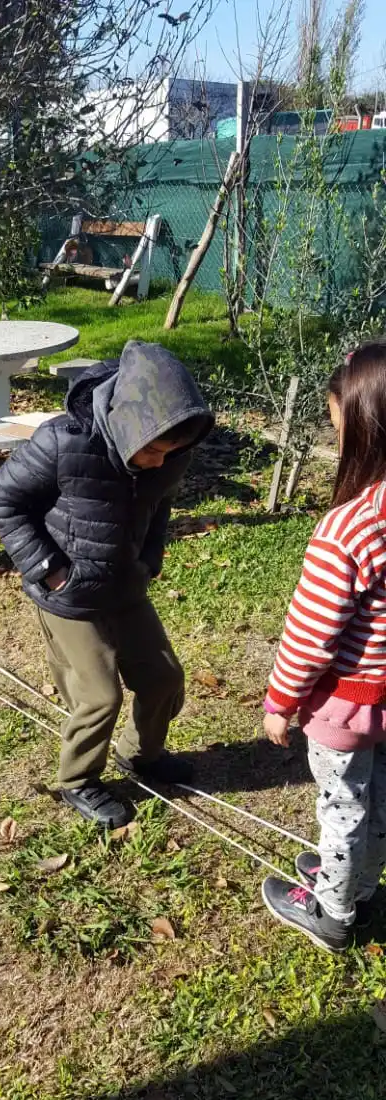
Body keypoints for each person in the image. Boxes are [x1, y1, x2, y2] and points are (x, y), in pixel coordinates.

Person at [0, 341, 214, 828]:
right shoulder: (64, 441)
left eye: (168, 452)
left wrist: (149, 559)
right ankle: (79, 781)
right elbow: (4, 499)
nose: (158, 461)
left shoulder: (172, 452)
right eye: (151, 449)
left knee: (163, 678)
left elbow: (160, 506)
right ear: (127, 422)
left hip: (126, 585)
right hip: (68, 594)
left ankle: (140, 755)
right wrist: (49, 569)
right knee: (99, 696)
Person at [262, 343, 386, 952]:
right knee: (378, 802)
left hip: (346, 703)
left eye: (337, 423)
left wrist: (281, 703)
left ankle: (333, 912)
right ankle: (361, 885)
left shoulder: (348, 528)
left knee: (342, 808)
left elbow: (311, 638)